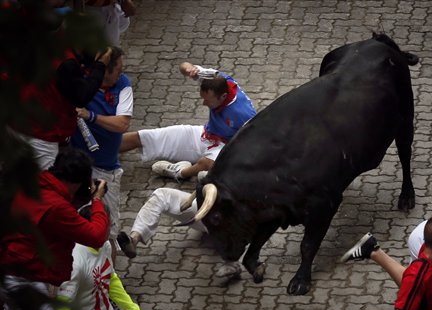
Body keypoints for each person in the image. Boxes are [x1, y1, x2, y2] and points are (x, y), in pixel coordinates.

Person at [0, 147, 109, 310]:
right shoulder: (56, 207)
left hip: (13, 268)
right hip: (23, 276)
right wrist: (97, 199)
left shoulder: (35, 184)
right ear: (78, 182)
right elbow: (96, 236)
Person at [120, 62, 257, 180]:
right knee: (145, 136)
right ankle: (103, 150)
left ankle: (179, 172)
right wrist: (189, 69)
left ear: (223, 96)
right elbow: (183, 66)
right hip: (205, 134)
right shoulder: (215, 77)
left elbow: (254, 146)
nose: (203, 103)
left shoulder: (244, 114)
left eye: (207, 100)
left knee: (207, 164)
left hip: (226, 148)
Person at [56, 204, 155, 310]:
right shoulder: (75, 263)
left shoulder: (104, 245)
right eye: (107, 223)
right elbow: (63, 309)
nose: (111, 225)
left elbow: (111, 279)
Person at [71, 46, 132, 263]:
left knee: (109, 232)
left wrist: (91, 116)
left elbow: (123, 123)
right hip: (80, 169)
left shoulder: (123, 84)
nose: (122, 73)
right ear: (105, 70)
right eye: (118, 69)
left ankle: (108, 284)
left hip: (107, 170)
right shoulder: (82, 86)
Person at [11, 42, 111, 170]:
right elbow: (81, 96)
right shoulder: (64, 62)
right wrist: (100, 66)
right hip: (41, 135)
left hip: (19, 124)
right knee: (43, 184)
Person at [116, 187, 242, 278]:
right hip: (205, 204)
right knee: (162, 195)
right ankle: (134, 239)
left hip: (233, 218)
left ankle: (232, 261)